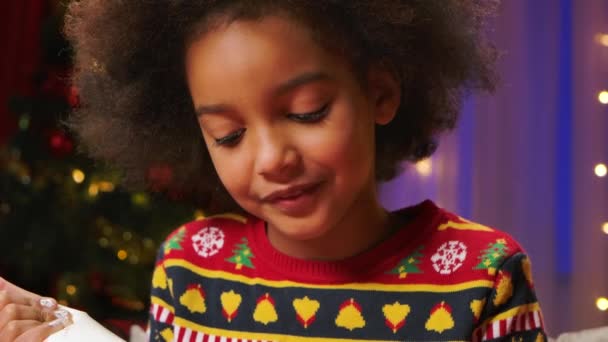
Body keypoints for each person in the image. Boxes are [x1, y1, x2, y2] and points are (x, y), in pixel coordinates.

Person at [0, 0, 548, 341]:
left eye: (307, 111)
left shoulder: (481, 277)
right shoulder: (192, 267)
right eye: (229, 136)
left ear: (379, 93)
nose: (270, 159)